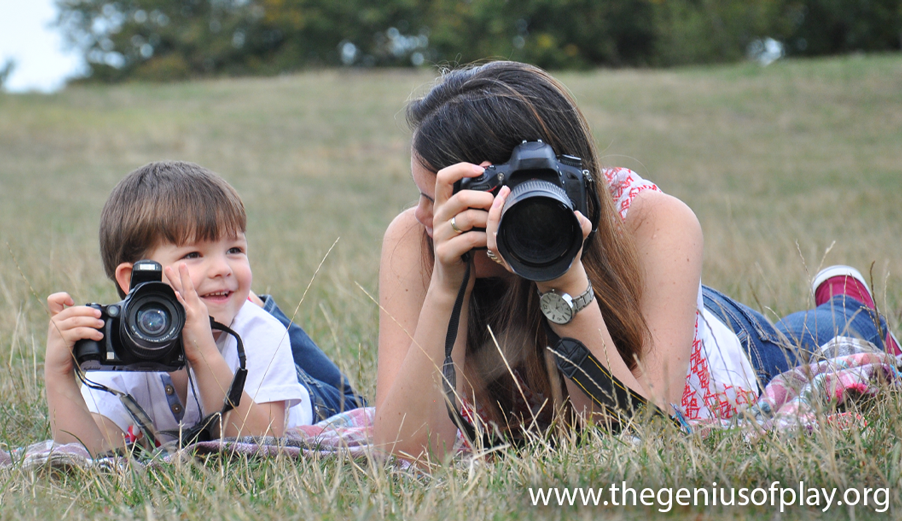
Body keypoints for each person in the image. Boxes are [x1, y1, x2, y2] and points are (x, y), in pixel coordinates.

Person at [373, 61, 899, 460]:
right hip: (611, 309)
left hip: (716, 339)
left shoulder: (651, 220)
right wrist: (448, 288)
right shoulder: (419, 239)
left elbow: (637, 437)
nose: (425, 214)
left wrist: (560, 275)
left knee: (821, 333)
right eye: (425, 194)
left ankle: (851, 304)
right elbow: (403, 453)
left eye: (438, 196)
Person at [45, 161, 364, 454]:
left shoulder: (257, 333)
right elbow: (93, 452)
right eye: (193, 255)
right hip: (220, 322)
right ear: (134, 279)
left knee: (349, 401)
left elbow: (259, 444)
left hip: (310, 397)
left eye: (235, 249)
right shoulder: (123, 343)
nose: (222, 268)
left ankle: (260, 304)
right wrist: (58, 374)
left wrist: (204, 354)